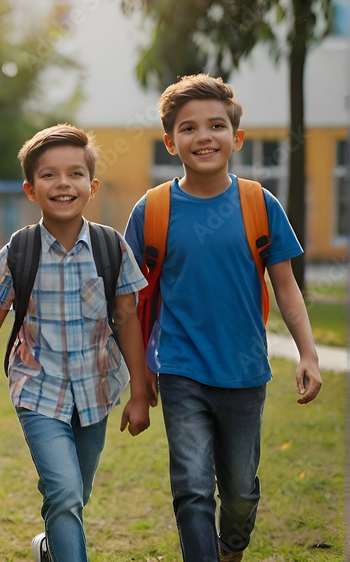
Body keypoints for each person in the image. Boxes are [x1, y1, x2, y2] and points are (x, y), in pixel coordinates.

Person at [123, 74, 323, 562]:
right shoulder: (153, 209)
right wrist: (138, 380)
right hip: (180, 370)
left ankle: (231, 547)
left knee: (239, 490)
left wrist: (309, 354)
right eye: (188, 128)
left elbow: (287, 287)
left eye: (216, 125)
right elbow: (127, 302)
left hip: (244, 371)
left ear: (237, 137)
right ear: (171, 141)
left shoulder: (260, 204)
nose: (204, 136)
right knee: (191, 485)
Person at [0, 124, 151, 562]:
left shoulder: (111, 247)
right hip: (38, 392)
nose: (63, 184)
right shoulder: (18, 252)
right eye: (49, 175)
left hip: (97, 392)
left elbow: (127, 318)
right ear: (30, 188)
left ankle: (52, 546)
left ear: (92, 185)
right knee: (62, 491)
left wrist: (139, 391)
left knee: (77, 493)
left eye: (75, 174)